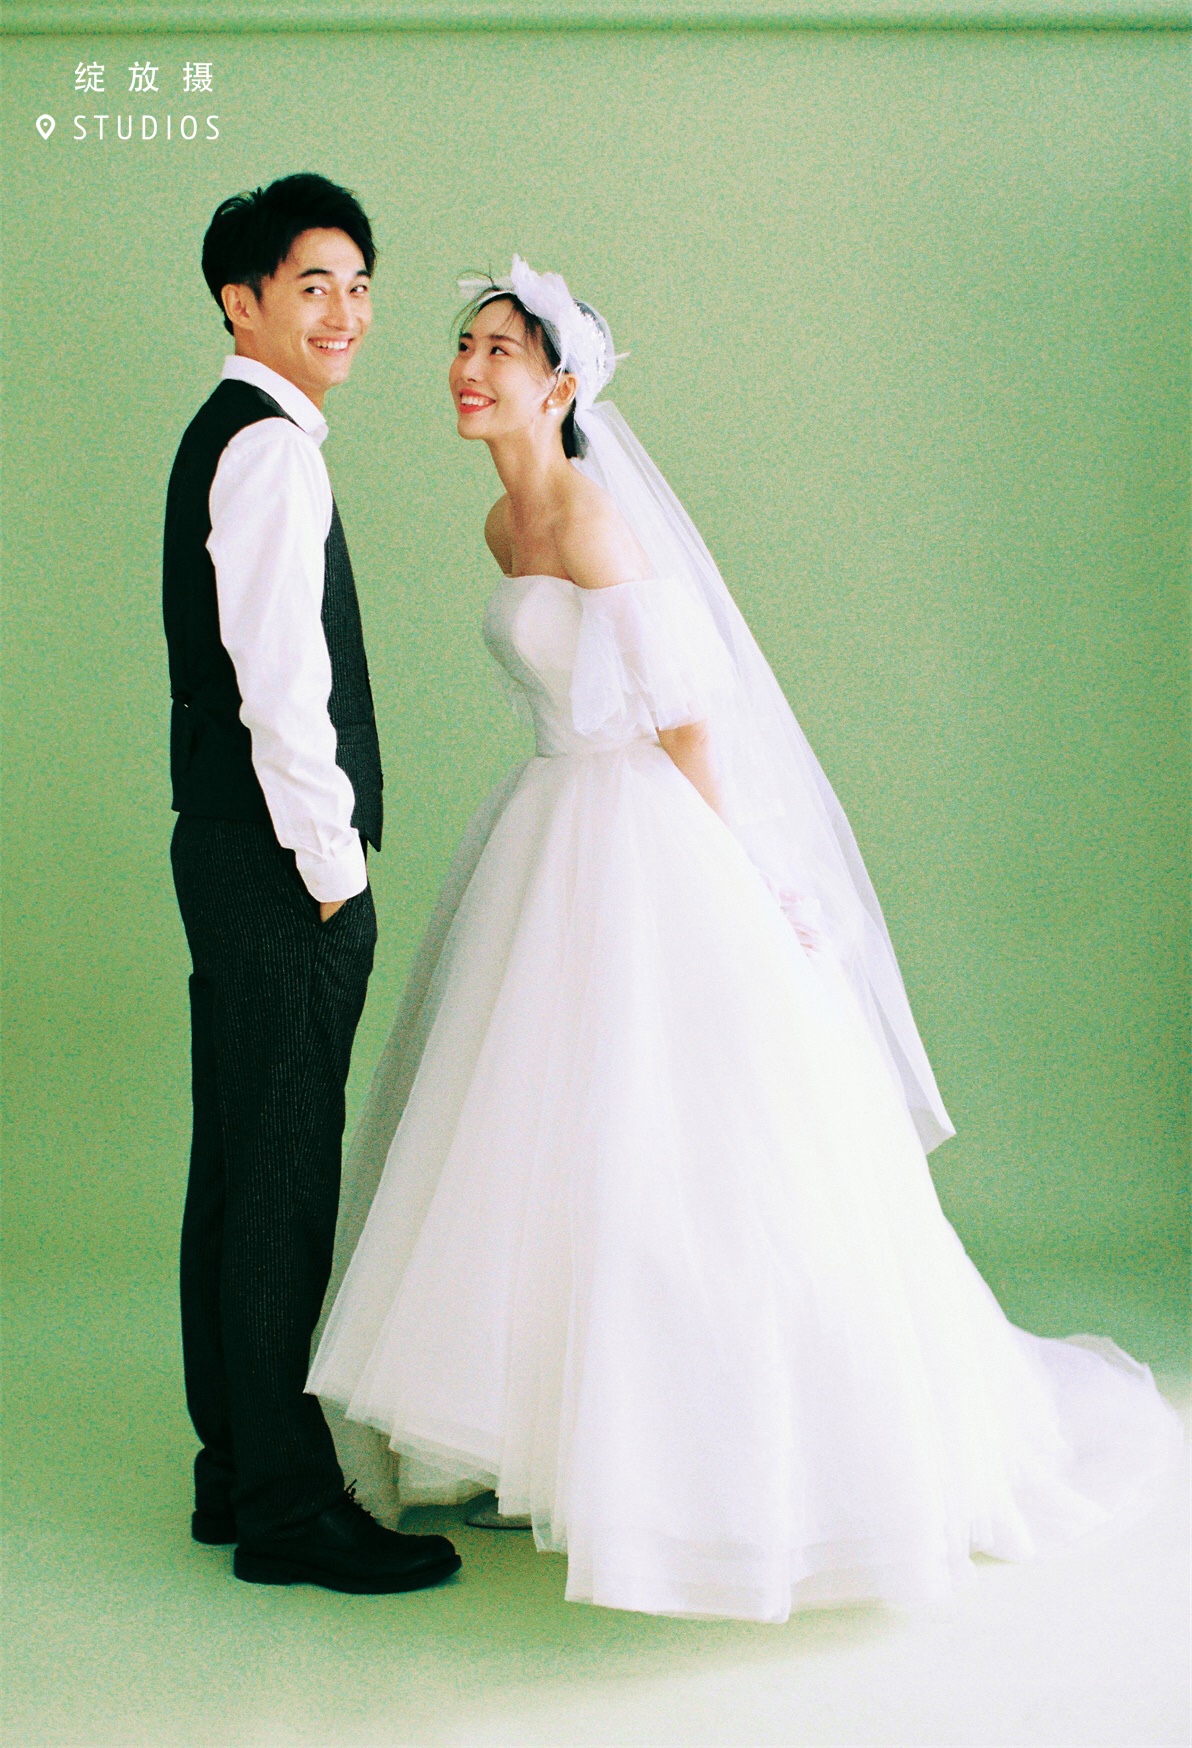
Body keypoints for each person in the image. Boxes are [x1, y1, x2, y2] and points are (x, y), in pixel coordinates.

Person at [307, 257, 1180, 1622]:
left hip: (640, 832)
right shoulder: (501, 522)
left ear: (560, 384)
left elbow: (689, 714)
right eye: (462, 346)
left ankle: (711, 1474)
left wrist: (736, 876)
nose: (466, 370)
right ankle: (541, 1441)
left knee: (681, 1149)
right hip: (546, 824)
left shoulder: (590, 517)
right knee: (537, 1142)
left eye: (498, 350)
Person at [163, 173, 459, 1594]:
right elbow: (282, 686)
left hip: (228, 852)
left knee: (238, 1168)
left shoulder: (235, 434)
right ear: (243, 301)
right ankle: (287, 1505)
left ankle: (236, 1470)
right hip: (281, 869)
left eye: (360, 286)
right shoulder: (271, 451)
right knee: (278, 1181)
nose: (346, 312)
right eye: (312, 285)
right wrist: (333, 871)